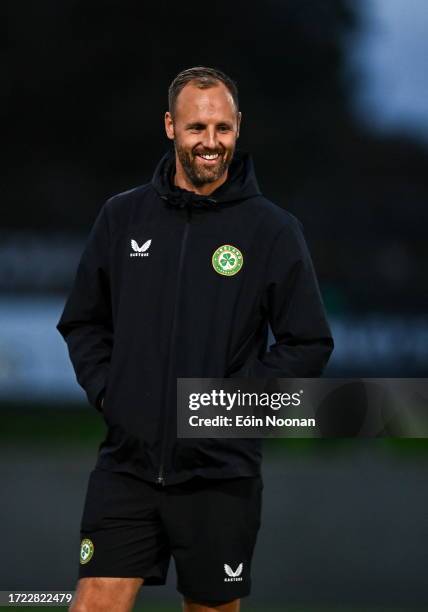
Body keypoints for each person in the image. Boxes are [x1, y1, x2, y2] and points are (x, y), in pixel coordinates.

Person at [57, 66, 334, 612]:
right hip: (127, 467)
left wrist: (228, 411)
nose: (211, 142)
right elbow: (83, 321)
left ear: (237, 128)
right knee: (92, 606)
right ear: (169, 127)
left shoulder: (273, 231)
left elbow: (308, 343)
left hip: (220, 478)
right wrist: (113, 393)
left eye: (222, 129)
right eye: (196, 128)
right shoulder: (122, 216)